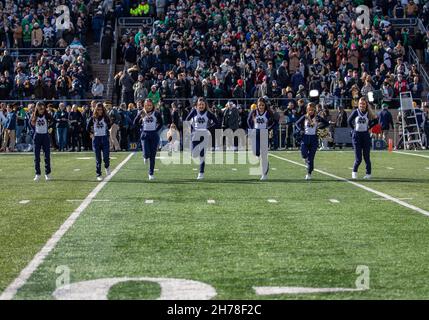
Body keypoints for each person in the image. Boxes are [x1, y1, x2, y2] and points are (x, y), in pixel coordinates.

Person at [185, 97, 219, 180]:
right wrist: (191, 128)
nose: (201, 106)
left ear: (205, 105)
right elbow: (186, 120)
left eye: (202, 104)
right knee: (194, 154)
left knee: (202, 155)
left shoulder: (208, 113)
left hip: (204, 135)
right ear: (197, 105)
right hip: (195, 134)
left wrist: (209, 128)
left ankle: (201, 173)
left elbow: (217, 122)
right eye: (199, 104)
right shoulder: (194, 111)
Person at [295, 103, 330, 180]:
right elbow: (296, 123)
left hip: (314, 138)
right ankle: (307, 161)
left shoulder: (317, 118)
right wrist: (300, 130)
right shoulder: (305, 117)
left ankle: (309, 173)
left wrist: (319, 127)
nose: (310, 111)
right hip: (305, 137)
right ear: (307, 109)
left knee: (311, 158)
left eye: (312, 110)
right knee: (304, 154)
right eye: (309, 109)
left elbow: (326, 123)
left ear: (314, 110)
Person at [348, 97, 379, 180]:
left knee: (366, 157)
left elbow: (376, 121)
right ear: (358, 104)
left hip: (365, 136)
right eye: (360, 104)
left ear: (366, 105)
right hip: (357, 136)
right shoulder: (356, 112)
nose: (362, 105)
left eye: (364, 104)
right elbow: (349, 121)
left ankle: (368, 173)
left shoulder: (368, 113)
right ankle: (354, 172)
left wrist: (369, 127)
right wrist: (353, 129)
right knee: (358, 158)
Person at [134, 99, 163, 180]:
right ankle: (145, 156)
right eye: (147, 105)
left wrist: (156, 130)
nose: (148, 107)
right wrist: (141, 128)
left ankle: (151, 173)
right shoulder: (142, 112)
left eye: (150, 105)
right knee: (147, 154)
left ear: (152, 105)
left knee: (153, 156)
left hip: (154, 135)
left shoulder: (156, 113)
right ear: (144, 105)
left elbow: (161, 123)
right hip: (145, 135)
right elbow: (135, 122)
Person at [247, 97, 274, 180]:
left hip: (264, 133)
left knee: (264, 154)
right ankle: (262, 160)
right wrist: (251, 129)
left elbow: (274, 122)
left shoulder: (268, 112)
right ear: (257, 105)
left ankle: (264, 174)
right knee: (255, 152)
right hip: (255, 133)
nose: (261, 107)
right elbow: (248, 121)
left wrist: (269, 129)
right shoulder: (254, 112)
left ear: (265, 105)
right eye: (259, 105)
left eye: (262, 105)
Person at [86, 103, 111, 181]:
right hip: (96, 139)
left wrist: (107, 131)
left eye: (101, 109)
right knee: (98, 158)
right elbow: (87, 127)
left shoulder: (106, 117)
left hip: (104, 138)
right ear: (96, 110)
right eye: (98, 109)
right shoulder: (92, 118)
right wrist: (91, 133)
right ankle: (98, 174)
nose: (100, 111)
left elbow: (109, 125)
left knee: (106, 156)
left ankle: (107, 166)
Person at [30, 102, 53, 181]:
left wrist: (50, 127)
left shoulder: (47, 115)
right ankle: (37, 174)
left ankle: (47, 174)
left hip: (45, 136)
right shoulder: (34, 115)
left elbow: (53, 121)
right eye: (40, 109)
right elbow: (30, 123)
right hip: (37, 137)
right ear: (37, 108)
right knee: (36, 157)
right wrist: (34, 131)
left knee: (47, 156)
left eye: (43, 108)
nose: (41, 110)